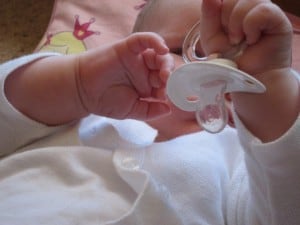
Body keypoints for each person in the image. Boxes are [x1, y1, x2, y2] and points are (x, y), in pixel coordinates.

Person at [0, 1, 299, 225]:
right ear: (127, 61)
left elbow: (284, 210)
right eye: (188, 51)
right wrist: (77, 84)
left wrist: (270, 100)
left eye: (244, 72)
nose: (221, 76)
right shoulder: (76, 112)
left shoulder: (241, 165)